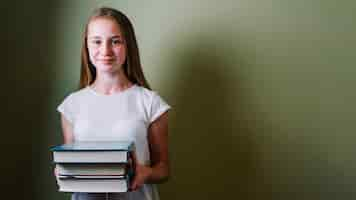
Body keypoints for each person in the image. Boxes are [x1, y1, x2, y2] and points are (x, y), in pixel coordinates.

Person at [55, 7, 171, 200]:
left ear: (128, 46)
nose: (105, 51)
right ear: (87, 47)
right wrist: (63, 171)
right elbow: (69, 164)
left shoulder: (150, 103)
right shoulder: (71, 106)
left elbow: (164, 169)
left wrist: (145, 173)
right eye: (97, 41)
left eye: (115, 41)